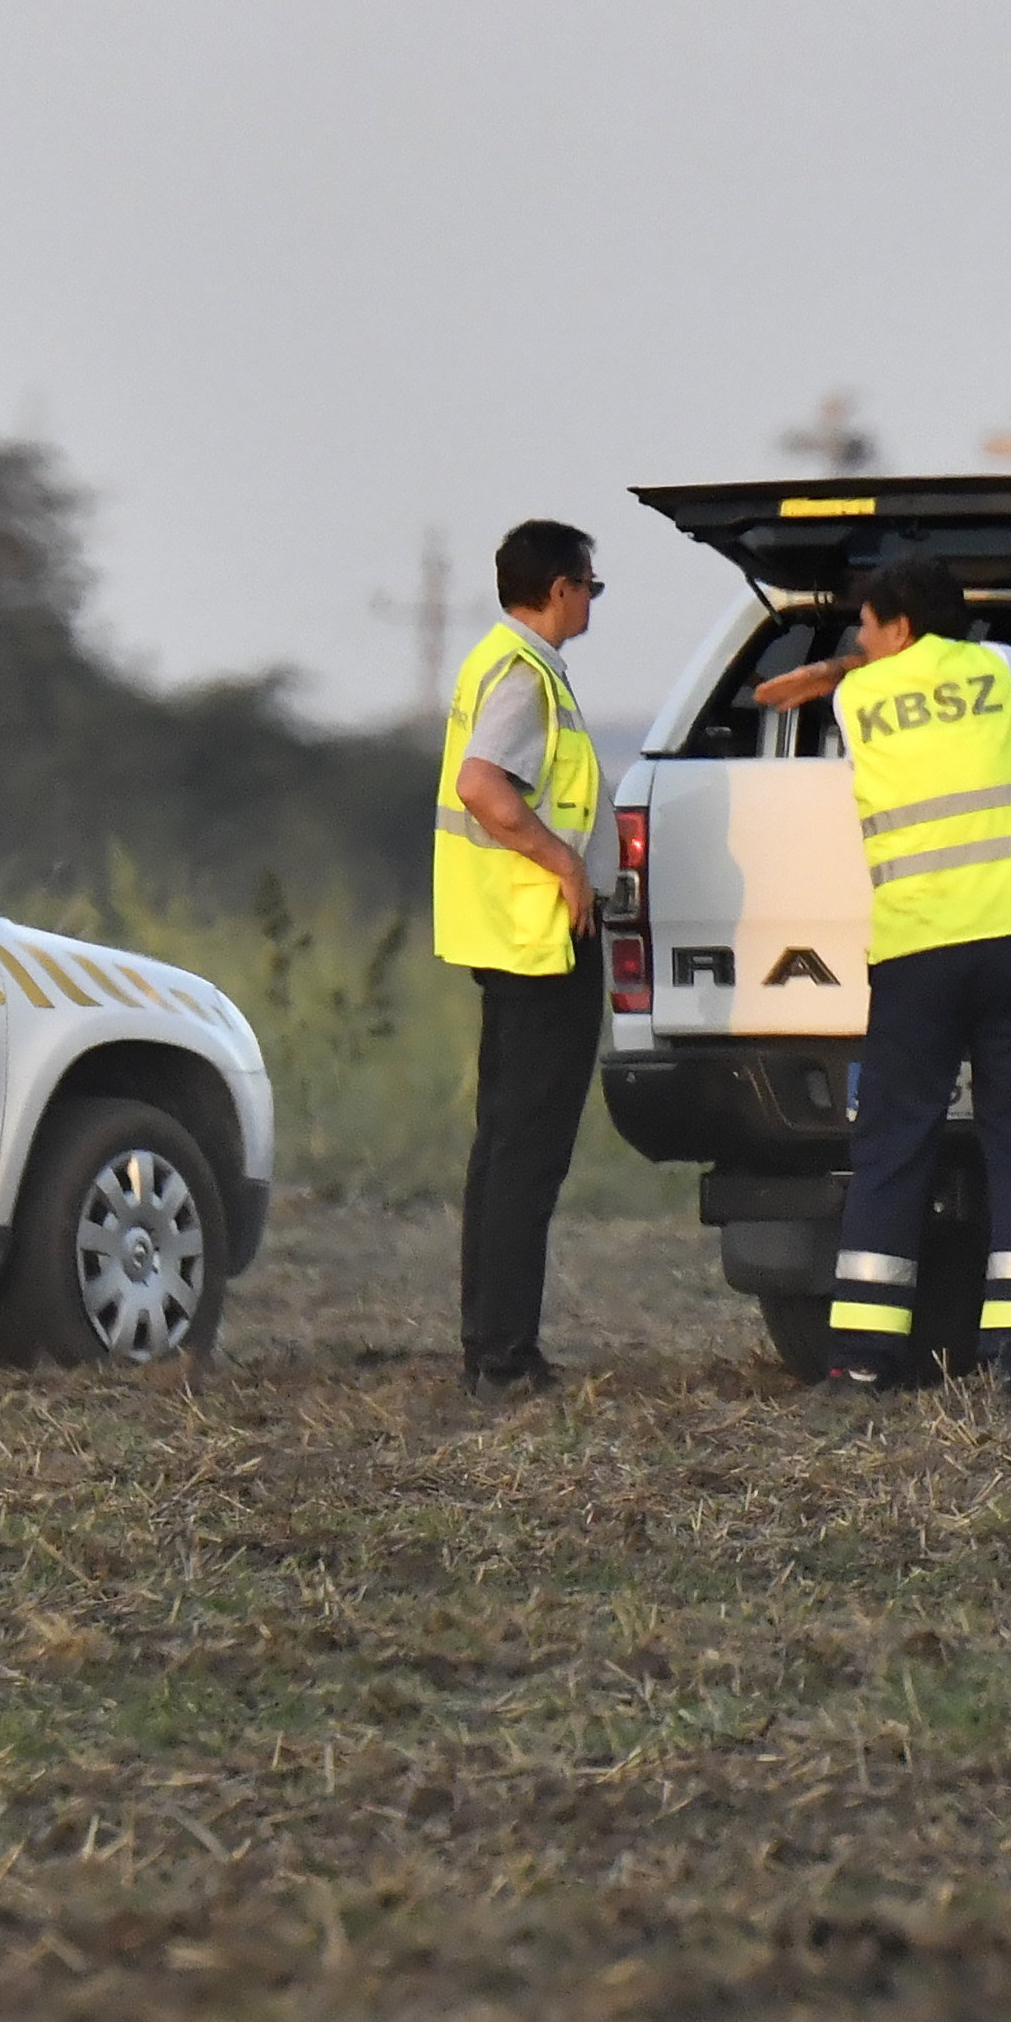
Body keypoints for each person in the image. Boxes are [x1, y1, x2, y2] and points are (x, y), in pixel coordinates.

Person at [750, 548, 1011, 1398]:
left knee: (894, 1150)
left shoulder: (857, 696)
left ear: (895, 624)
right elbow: (947, 669)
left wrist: (826, 668)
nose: (857, 633)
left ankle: (861, 1361)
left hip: (920, 951)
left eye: (864, 619)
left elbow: (855, 676)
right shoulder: (1003, 670)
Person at [436, 519, 608, 1391]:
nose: (592, 603)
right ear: (559, 588)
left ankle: (491, 1347)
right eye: (591, 587)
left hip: (508, 939)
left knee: (503, 1151)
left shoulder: (495, 664)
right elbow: (482, 785)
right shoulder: (523, 675)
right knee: (526, 1156)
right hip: (540, 943)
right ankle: (504, 1357)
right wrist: (565, 861)